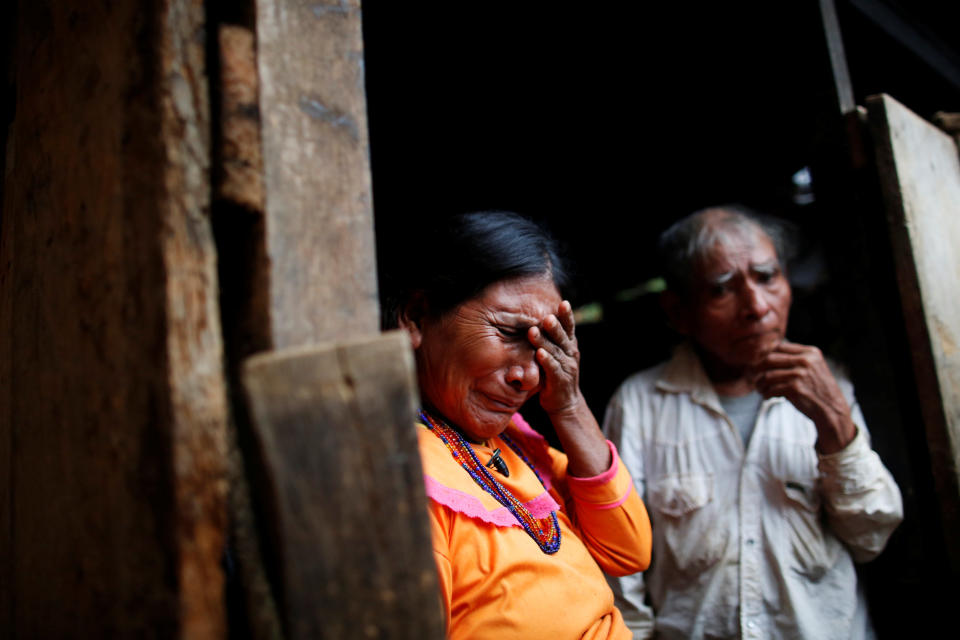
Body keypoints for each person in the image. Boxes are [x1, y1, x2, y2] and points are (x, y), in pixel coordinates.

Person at [602, 205, 903, 640]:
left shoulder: (830, 384)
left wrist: (833, 421)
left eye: (767, 277)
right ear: (678, 312)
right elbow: (621, 568)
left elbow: (871, 537)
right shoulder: (639, 404)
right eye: (722, 289)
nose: (757, 307)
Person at [389, 210, 652, 639]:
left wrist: (567, 405)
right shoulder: (406, 476)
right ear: (417, 317)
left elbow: (628, 550)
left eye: (545, 346)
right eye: (510, 333)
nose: (528, 376)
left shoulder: (513, 444)